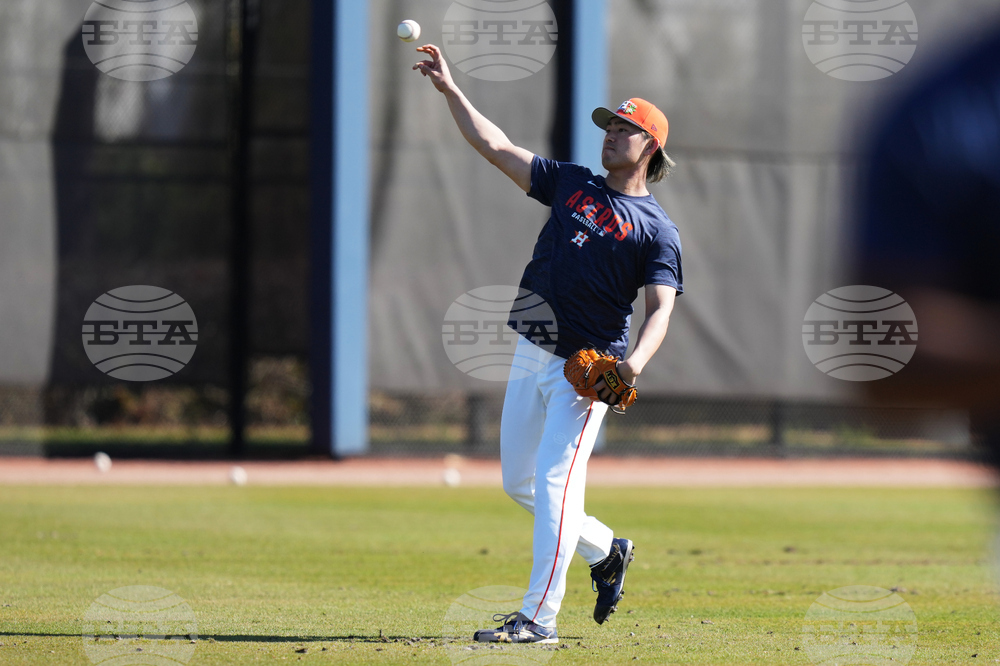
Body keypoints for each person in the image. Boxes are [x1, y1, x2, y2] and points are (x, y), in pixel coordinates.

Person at [414, 44, 684, 644]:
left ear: (651, 148)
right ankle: (606, 550)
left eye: (626, 129)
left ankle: (539, 619)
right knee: (521, 484)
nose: (611, 135)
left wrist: (632, 365)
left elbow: (661, 306)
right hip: (531, 346)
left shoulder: (656, 230)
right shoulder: (571, 183)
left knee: (558, 486)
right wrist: (451, 91)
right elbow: (497, 148)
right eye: (609, 126)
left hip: (585, 372)